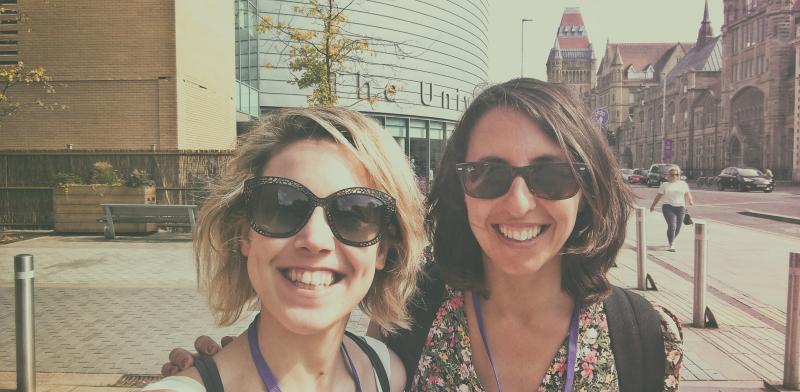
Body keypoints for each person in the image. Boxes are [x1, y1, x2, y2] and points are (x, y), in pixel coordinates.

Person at [164, 79, 683, 391]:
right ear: (460, 191)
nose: (520, 202)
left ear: (588, 188)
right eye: (488, 174)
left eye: (552, 174)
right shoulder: (412, 328)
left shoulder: (643, 337)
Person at [146, 107, 426, 391]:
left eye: (352, 214)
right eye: (283, 207)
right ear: (245, 234)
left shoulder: (386, 372)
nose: (315, 239)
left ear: (382, 250)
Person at [649, 165, 694, 252]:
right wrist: (653, 206)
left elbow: (688, 194)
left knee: (678, 227)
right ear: (668, 175)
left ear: (678, 176)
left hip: (681, 208)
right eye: (672, 174)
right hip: (668, 207)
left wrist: (690, 201)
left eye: (676, 174)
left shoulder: (683, 184)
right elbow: (658, 196)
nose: (674, 176)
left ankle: (671, 238)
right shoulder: (665, 185)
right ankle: (671, 244)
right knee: (672, 225)